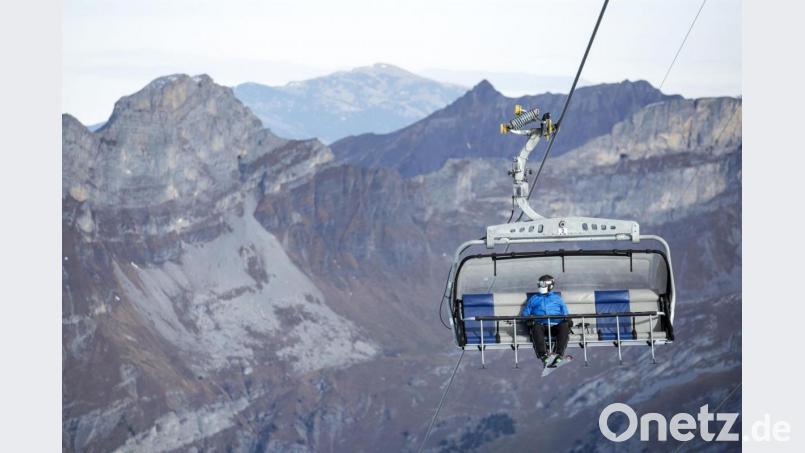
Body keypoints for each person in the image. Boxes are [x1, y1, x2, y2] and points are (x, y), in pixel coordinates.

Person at [522, 274, 570, 367]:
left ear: (550, 285)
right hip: (541, 324)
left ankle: (558, 354)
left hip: (556, 324)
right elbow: (526, 312)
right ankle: (543, 355)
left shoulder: (557, 299)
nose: (540, 286)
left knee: (564, 326)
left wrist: (568, 320)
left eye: (543, 284)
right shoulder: (534, 298)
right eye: (540, 284)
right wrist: (528, 320)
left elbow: (565, 313)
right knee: (536, 328)